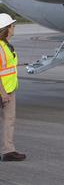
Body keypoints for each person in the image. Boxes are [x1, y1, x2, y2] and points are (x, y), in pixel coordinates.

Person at [0, 13, 24, 162]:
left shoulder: (8, 46)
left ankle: (8, 151)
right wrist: (3, 93)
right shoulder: (1, 48)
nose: (14, 27)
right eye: (12, 25)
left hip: (9, 88)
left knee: (10, 120)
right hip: (3, 90)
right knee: (9, 119)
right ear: (6, 29)